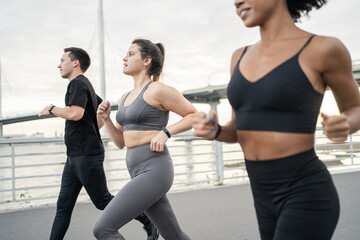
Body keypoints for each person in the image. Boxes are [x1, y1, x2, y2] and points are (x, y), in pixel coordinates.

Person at [192, 0, 360, 239]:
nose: (236, 1)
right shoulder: (239, 56)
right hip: (262, 197)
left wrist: (345, 124)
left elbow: (355, 108)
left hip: (306, 193)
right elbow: (237, 130)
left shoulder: (324, 48)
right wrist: (216, 130)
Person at [39, 47, 158, 240]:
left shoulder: (77, 84)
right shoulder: (85, 85)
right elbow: (102, 109)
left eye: (62, 60)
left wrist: (52, 108)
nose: (59, 64)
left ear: (75, 62)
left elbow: (75, 113)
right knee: (63, 207)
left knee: (102, 200)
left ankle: (149, 221)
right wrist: (93, 129)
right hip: (74, 157)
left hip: (86, 155)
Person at [93, 39, 195, 240]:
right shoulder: (124, 97)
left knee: (103, 229)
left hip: (155, 169)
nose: (124, 58)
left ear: (147, 60)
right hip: (136, 169)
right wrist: (106, 120)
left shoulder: (157, 90)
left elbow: (193, 115)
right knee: (173, 235)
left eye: (131, 54)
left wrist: (166, 132)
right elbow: (121, 142)